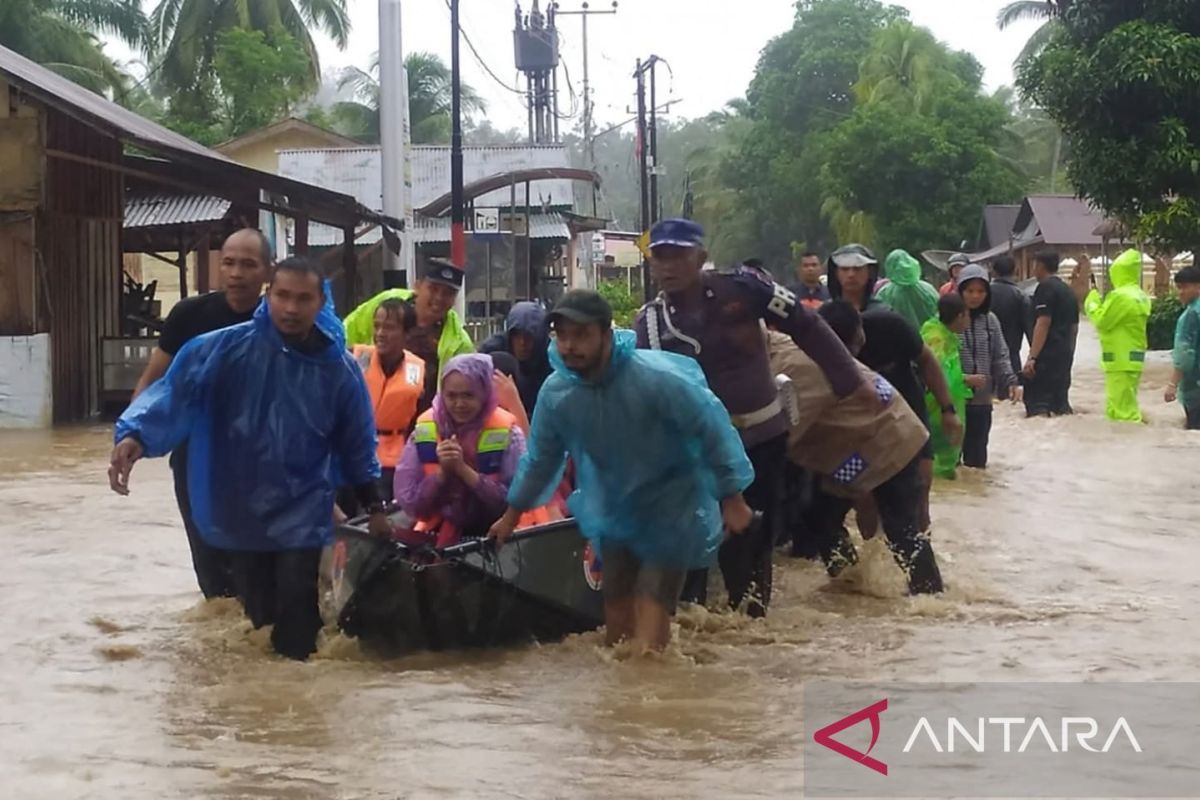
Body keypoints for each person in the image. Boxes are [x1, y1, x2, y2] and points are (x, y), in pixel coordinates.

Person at [109, 258, 389, 661]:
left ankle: (298, 689)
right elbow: (175, 395)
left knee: (297, 612)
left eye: (303, 299)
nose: (291, 308)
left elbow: (357, 444)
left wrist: (375, 508)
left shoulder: (339, 369)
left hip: (303, 506)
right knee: (259, 614)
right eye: (283, 296)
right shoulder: (223, 349)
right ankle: (266, 695)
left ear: (320, 302)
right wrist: (135, 435)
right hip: (241, 504)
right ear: (268, 296)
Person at [489, 291, 756, 651]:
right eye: (562, 335)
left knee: (652, 599)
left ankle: (652, 680)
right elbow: (541, 460)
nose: (570, 346)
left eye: (581, 335)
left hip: (672, 500)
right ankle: (625, 681)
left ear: (606, 333)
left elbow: (711, 431)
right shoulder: (558, 393)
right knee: (616, 602)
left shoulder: (656, 379)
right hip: (615, 504)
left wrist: (732, 496)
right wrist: (511, 516)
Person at [636, 219, 865, 618]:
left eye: (679, 256)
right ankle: (695, 627)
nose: (668, 266)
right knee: (692, 551)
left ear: (701, 258)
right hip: (695, 453)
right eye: (660, 257)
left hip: (759, 440)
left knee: (752, 543)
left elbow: (806, 324)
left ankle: (751, 624)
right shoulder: (652, 324)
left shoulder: (745, 289)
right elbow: (647, 397)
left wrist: (850, 382)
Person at [130, 228, 271, 600]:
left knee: (258, 569)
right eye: (229, 263)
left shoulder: (281, 319)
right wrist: (131, 435)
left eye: (248, 265)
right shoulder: (190, 316)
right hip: (197, 461)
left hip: (263, 461)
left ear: (267, 271)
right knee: (211, 572)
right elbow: (153, 383)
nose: (237, 273)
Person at [769, 321, 944, 594]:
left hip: (888, 438)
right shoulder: (779, 349)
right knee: (820, 515)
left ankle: (929, 594)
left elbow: (782, 435)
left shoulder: (791, 364)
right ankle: (852, 585)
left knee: (900, 528)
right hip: (860, 447)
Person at [823, 248, 962, 531]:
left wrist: (948, 409)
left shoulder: (888, 319)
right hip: (854, 422)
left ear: (871, 273)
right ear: (835, 274)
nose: (851, 275)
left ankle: (918, 542)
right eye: (844, 269)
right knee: (863, 497)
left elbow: (927, 360)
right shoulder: (823, 322)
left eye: (858, 269)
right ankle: (870, 555)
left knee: (920, 490)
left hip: (905, 412)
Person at [394, 354, 535, 548]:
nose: (459, 404)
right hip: (439, 529)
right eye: (451, 396)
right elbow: (411, 504)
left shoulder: (510, 434)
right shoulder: (425, 430)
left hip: (497, 533)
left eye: (468, 395)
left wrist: (463, 470)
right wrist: (442, 476)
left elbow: (513, 502)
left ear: (485, 394)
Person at [342, 259, 474, 406]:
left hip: (424, 415)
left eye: (448, 294)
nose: (439, 298)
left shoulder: (459, 342)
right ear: (418, 286)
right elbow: (345, 335)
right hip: (367, 404)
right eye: (433, 289)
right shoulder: (387, 304)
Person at [351, 298, 425, 498]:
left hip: (395, 459)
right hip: (354, 451)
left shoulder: (419, 371)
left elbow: (423, 419)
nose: (380, 333)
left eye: (389, 328)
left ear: (407, 334)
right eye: (377, 326)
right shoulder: (354, 359)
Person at [956, 265, 1022, 468]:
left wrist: (1011, 381)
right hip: (954, 400)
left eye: (981, 291)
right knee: (951, 460)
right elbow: (940, 359)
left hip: (982, 400)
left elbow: (1000, 355)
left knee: (977, 462)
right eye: (970, 291)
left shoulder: (990, 320)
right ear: (960, 291)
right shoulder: (948, 319)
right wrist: (963, 378)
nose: (975, 296)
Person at [1083, 249, 1152, 423]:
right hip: (1132, 359)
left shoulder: (1121, 296)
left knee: (1123, 413)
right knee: (1122, 406)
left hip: (1119, 359)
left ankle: (1131, 439)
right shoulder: (1140, 295)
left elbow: (1102, 321)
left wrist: (1092, 301)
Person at [920, 294, 972, 479]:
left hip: (943, 408)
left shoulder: (943, 335)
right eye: (967, 315)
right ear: (960, 316)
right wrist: (966, 380)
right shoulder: (936, 338)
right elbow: (938, 373)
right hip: (937, 410)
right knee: (937, 465)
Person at [1023, 251, 1079, 417]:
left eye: (1034, 265)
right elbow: (1074, 328)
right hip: (1064, 356)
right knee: (1060, 406)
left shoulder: (1045, 288)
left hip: (1047, 355)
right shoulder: (1068, 290)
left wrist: (1032, 357)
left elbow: (1043, 322)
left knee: (1038, 407)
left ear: (1040, 266)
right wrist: (1069, 353)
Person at [479, 301, 551, 414]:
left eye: (529, 336)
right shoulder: (491, 352)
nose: (522, 342)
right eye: (517, 335)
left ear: (540, 337)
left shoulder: (552, 359)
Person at [987, 255, 1032, 385]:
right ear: (1014, 271)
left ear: (994, 272)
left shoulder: (983, 293)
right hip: (1011, 357)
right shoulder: (1021, 296)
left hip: (984, 358)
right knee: (1011, 391)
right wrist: (1033, 357)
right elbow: (1030, 329)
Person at [1165, 266, 1200, 429]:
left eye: (1184, 287)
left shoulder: (1191, 314)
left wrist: (1172, 384)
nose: (1180, 292)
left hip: (1195, 387)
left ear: (1198, 287)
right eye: (1178, 287)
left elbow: (1184, 354)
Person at [875, 248, 940, 329]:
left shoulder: (885, 293)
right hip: (928, 335)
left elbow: (877, 316)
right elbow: (938, 313)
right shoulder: (928, 290)